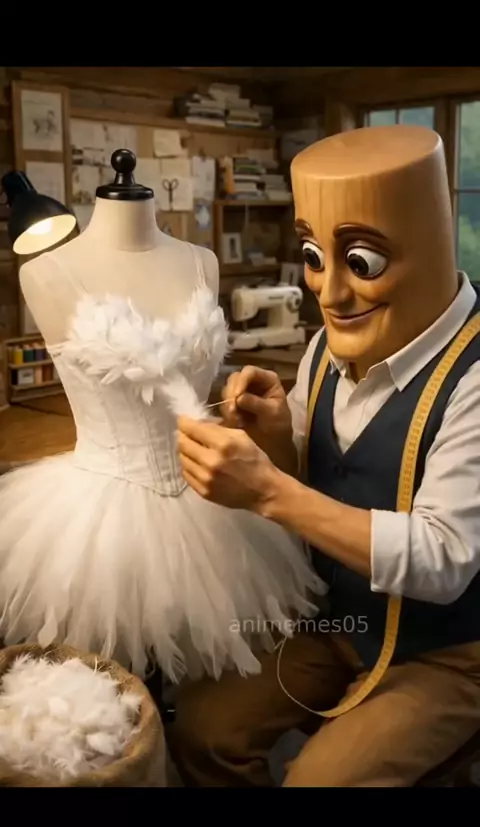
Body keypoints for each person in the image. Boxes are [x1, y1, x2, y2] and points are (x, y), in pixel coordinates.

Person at [171, 125, 480, 787]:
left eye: (362, 263)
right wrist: (277, 437)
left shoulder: (475, 376)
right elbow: (316, 480)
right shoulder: (323, 350)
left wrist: (265, 489)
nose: (330, 293)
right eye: (314, 256)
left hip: (448, 651)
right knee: (201, 727)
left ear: (430, 243)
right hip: (340, 622)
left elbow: (443, 558)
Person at [0, 159, 322, 684]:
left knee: (204, 687)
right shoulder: (46, 271)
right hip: (97, 511)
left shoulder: (201, 261)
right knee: (106, 680)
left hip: (209, 499)